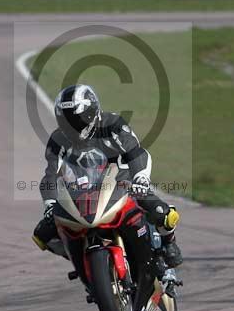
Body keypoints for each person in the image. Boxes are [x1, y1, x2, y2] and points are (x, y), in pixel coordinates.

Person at [32, 84, 183, 278]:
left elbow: (136, 152)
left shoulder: (113, 124)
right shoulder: (58, 139)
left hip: (124, 183)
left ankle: (168, 243)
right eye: (66, 120)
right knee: (43, 235)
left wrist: (141, 179)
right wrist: (50, 204)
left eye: (77, 119)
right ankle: (81, 260)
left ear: (92, 112)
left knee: (163, 213)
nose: (73, 125)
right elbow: (50, 175)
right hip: (82, 192)